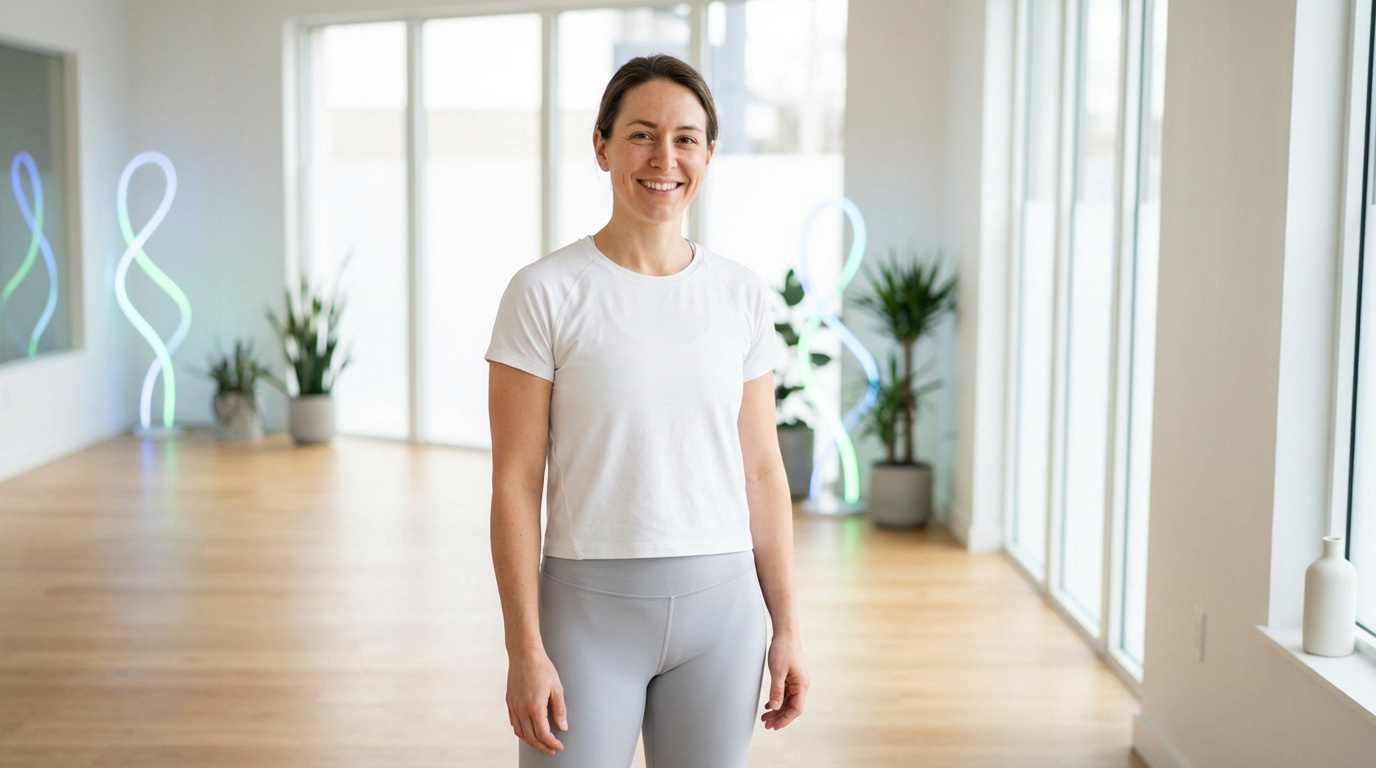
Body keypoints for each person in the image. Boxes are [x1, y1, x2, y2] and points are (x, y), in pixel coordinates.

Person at [486, 53, 809, 768]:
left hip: (723, 619)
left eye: (687, 138)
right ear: (601, 146)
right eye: (641, 134)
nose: (664, 158)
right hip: (585, 615)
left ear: (709, 154)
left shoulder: (742, 296)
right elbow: (514, 482)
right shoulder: (544, 292)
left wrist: (786, 625)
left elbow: (761, 469)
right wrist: (523, 649)